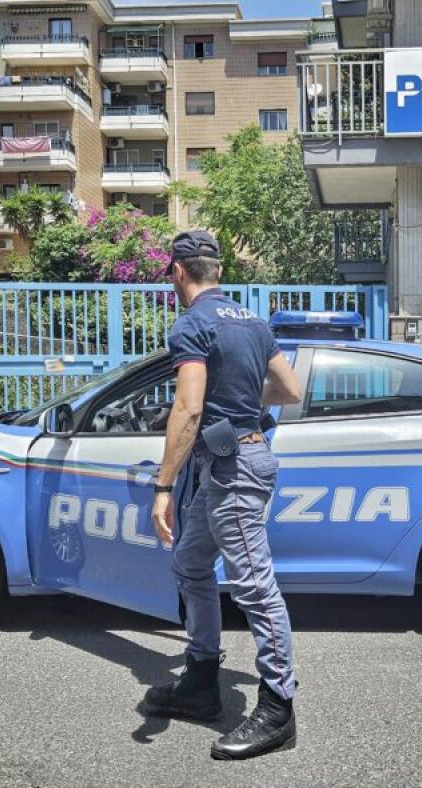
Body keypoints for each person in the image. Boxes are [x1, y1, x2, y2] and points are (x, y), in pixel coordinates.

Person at [144, 230, 303, 760]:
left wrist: (164, 486)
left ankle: (278, 708)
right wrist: (240, 402)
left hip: (233, 470)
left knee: (255, 587)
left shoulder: (192, 324)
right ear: (218, 271)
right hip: (233, 463)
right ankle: (200, 681)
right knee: (191, 564)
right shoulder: (253, 322)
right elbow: (289, 390)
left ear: (178, 273)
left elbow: (188, 409)